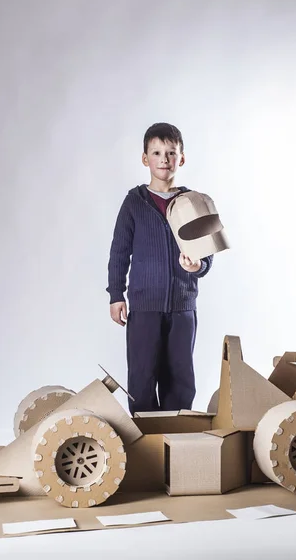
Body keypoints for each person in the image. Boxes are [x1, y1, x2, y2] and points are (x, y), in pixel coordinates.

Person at [106, 122, 213, 415]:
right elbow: (119, 251)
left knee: (180, 379)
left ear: (182, 158)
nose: (164, 159)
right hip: (144, 307)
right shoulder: (134, 203)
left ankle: (175, 440)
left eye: (170, 152)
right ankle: (147, 439)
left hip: (182, 307)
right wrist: (116, 294)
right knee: (141, 377)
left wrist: (196, 266)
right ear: (145, 159)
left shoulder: (193, 202)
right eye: (156, 152)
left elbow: (207, 254)